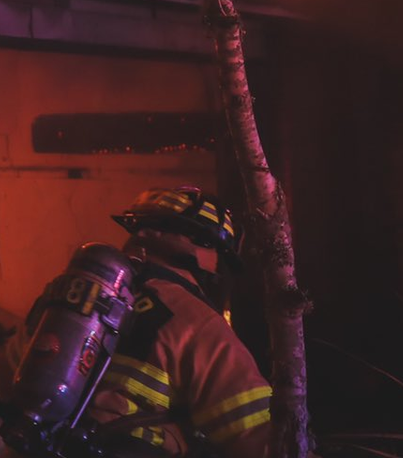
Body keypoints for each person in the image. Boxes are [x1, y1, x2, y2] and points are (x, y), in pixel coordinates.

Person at [74, 186, 274, 456]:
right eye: (219, 251)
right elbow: (256, 437)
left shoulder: (77, 297)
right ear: (201, 243)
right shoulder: (195, 321)